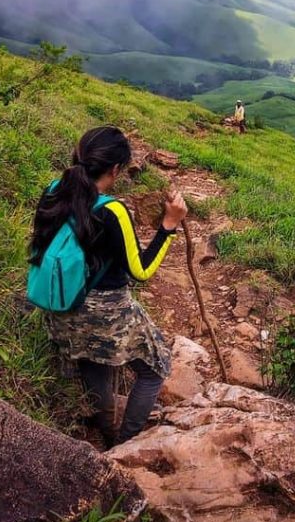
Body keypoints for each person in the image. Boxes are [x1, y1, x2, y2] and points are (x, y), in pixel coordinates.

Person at [29, 125, 188, 447]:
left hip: (59, 305)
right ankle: (127, 442)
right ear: (115, 169)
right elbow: (140, 271)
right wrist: (168, 226)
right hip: (107, 313)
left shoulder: (53, 190)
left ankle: (105, 431)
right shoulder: (113, 210)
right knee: (155, 368)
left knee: (94, 365)